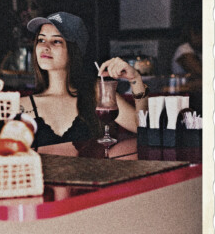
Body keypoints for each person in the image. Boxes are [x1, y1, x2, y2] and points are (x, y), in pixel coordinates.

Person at [20, 12, 148, 147]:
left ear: (75, 50)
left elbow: (142, 129)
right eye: (41, 40)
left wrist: (136, 79)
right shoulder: (21, 106)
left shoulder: (97, 94)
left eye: (56, 41)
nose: (45, 46)